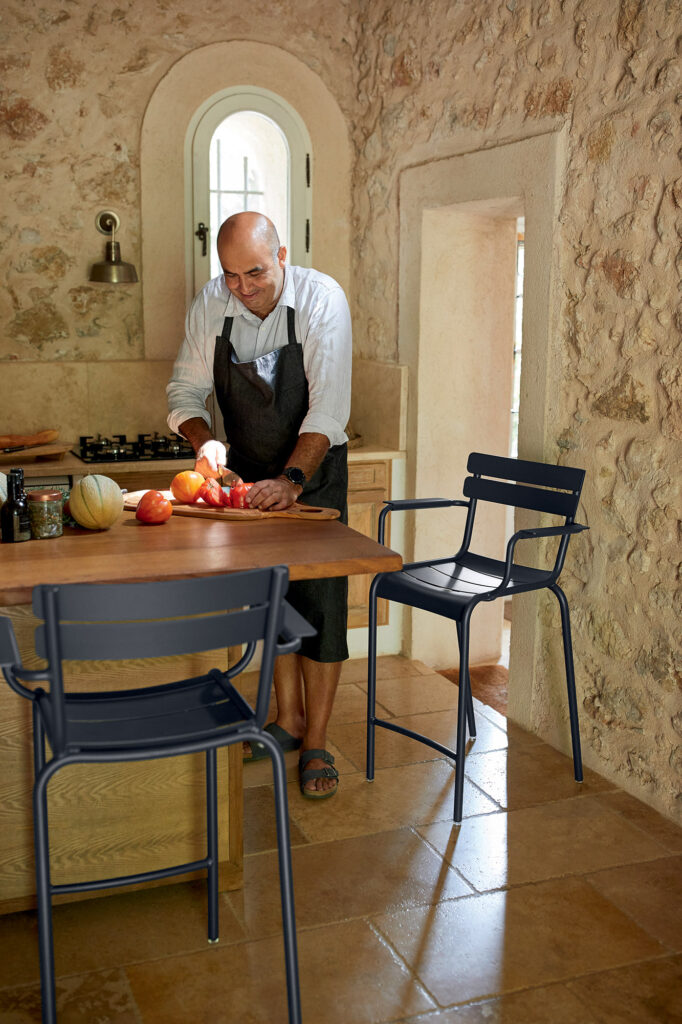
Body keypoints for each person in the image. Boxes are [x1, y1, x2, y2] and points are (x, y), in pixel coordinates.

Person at [167, 211, 352, 798]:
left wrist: (295, 477)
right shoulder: (211, 304)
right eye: (230, 275)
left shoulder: (322, 300)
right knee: (270, 601)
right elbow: (184, 393)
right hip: (243, 478)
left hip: (313, 475)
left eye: (254, 273)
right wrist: (207, 443)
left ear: (282, 256)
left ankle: (317, 738)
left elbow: (326, 411)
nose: (242, 287)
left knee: (320, 607)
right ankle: (285, 719)